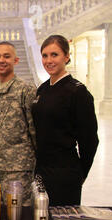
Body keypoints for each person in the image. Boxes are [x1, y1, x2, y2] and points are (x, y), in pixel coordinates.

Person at [31, 35, 99, 206]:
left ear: (67, 57)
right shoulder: (43, 89)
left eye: (54, 55)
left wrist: (80, 174)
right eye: (45, 56)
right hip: (41, 171)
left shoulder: (77, 92)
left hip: (65, 172)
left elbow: (90, 140)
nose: (49, 60)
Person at [0, 41, 37, 205]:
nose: (1, 60)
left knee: (20, 217)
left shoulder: (26, 90)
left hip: (19, 169)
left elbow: (35, 130)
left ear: (16, 60)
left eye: (6, 56)